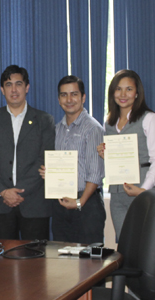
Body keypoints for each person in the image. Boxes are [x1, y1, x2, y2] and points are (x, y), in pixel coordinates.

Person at [0, 65, 55, 240]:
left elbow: (44, 158)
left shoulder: (44, 120)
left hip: (34, 202)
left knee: (36, 262)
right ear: (2, 89)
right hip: (0, 202)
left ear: (27, 87)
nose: (14, 89)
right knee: (4, 262)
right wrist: (4, 191)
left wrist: (19, 192)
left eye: (18, 84)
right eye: (8, 84)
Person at [39, 75, 105, 244]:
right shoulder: (57, 130)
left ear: (83, 97)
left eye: (74, 94)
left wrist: (79, 202)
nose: (69, 99)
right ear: (58, 98)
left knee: (89, 264)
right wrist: (49, 172)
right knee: (63, 262)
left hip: (86, 203)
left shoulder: (93, 128)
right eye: (63, 95)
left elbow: (96, 173)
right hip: (61, 205)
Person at [96, 70, 155, 238]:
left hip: (141, 191)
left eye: (129, 89)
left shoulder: (149, 118)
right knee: (124, 245)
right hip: (117, 195)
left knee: (144, 245)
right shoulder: (109, 122)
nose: (123, 94)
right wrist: (105, 155)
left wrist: (143, 190)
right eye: (118, 89)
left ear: (137, 93)